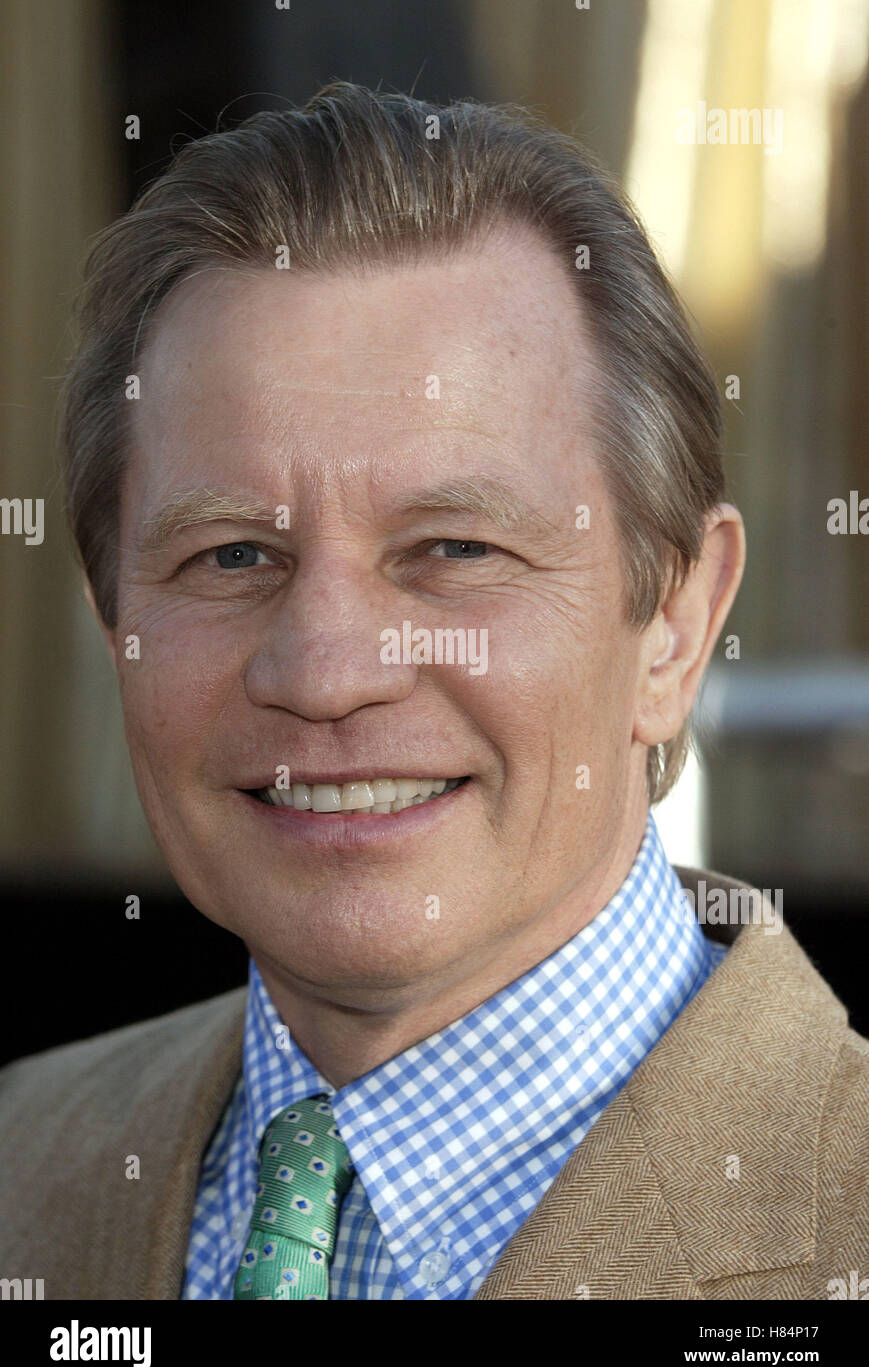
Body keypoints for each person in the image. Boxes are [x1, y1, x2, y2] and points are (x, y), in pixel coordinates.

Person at [1, 81, 865, 1301]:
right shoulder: (21, 1163)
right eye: (231, 555)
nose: (328, 671)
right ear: (115, 626)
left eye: (454, 550)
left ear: (673, 623)